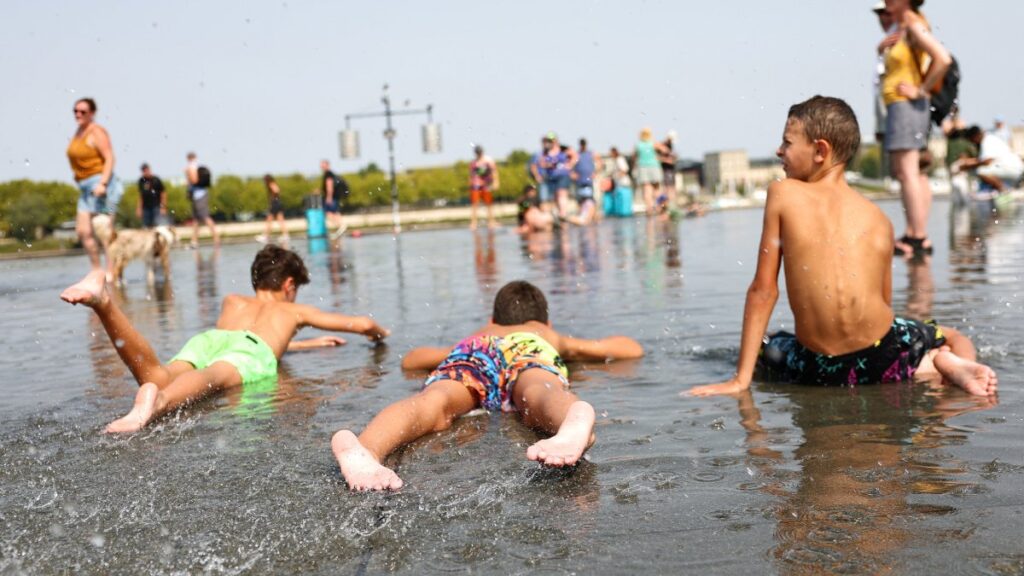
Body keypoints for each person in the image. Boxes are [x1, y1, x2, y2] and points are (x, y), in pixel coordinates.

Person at [687, 96, 996, 398]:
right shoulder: (879, 219)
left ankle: (933, 363)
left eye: (787, 143)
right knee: (952, 335)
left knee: (768, 347)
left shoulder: (783, 193)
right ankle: (945, 362)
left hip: (819, 369)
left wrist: (740, 380)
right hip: (882, 359)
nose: (779, 150)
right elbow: (884, 304)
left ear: (820, 150)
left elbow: (763, 290)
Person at [331, 280, 644, 491]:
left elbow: (411, 360)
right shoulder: (542, 332)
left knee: (433, 402)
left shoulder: (481, 333)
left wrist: (453, 351)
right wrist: (570, 347)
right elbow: (630, 349)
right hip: (529, 350)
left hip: (473, 352)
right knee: (539, 393)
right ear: (545, 321)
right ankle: (572, 418)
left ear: (493, 316)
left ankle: (366, 449)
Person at [60, 245, 390, 433]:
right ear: (289, 285)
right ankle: (158, 404)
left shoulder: (233, 301)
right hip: (249, 352)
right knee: (216, 376)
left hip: (212, 339)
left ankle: (104, 304)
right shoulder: (293, 311)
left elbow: (238, 338)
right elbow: (360, 323)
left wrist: (303, 345)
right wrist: (379, 334)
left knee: (159, 375)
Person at [881, 0, 952, 257]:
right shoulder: (904, 25)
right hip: (902, 107)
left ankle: (918, 237)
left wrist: (920, 90)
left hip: (907, 107)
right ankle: (914, 232)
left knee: (908, 171)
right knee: (907, 171)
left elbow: (942, 58)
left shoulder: (912, 22)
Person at [66, 97, 124, 279]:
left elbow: (110, 158)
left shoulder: (96, 132)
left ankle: (112, 272)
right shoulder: (79, 133)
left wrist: (103, 184)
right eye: (75, 111)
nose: (78, 114)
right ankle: (97, 270)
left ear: (92, 113)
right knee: (83, 231)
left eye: (82, 111)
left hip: (103, 186)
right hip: (85, 190)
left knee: (103, 231)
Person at [959, 125, 1024, 195]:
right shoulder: (989, 138)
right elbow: (983, 160)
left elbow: (987, 161)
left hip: (1013, 169)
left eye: (972, 140)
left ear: (975, 136)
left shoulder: (987, 141)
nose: (973, 143)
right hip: (1012, 168)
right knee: (982, 171)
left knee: (981, 171)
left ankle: (1003, 192)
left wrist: (967, 166)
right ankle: (1000, 191)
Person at [185, 152, 220, 248]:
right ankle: (194, 241)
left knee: (205, 217)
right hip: (200, 194)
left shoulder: (191, 167)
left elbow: (194, 180)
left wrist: (187, 177)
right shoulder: (198, 166)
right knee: (196, 219)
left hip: (199, 195)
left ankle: (216, 239)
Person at [540, 134, 576, 217]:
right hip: (552, 177)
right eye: (549, 140)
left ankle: (563, 213)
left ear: (556, 140)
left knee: (562, 193)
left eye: (552, 140)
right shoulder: (546, 151)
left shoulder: (563, 148)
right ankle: (559, 213)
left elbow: (574, 155)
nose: (551, 142)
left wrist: (570, 165)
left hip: (563, 175)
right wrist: (548, 165)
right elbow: (542, 163)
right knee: (556, 196)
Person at [634, 128, 669, 215]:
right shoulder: (653, 143)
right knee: (657, 189)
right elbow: (665, 150)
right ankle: (660, 208)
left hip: (642, 167)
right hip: (654, 166)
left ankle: (649, 209)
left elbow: (634, 156)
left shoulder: (638, 145)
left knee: (647, 190)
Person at [569, 138, 601, 226]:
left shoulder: (591, 153)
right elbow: (569, 165)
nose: (582, 146)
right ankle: (582, 216)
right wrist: (572, 174)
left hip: (589, 182)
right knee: (580, 200)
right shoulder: (576, 154)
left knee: (591, 200)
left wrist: (595, 172)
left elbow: (599, 162)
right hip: (579, 182)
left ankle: (594, 219)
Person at [468, 145, 500, 229]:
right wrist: (470, 183)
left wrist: (496, 182)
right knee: (474, 204)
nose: (478, 154)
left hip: (486, 185)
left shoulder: (488, 160)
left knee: (489, 204)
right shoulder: (473, 162)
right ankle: (473, 223)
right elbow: (471, 175)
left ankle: (491, 222)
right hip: (476, 185)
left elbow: (494, 171)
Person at [320, 160, 348, 239]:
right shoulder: (330, 174)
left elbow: (329, 186)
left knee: (328, 213)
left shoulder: (328, 174)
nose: (321, 166)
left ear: (327, 165)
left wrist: (329, 197)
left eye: (323, 165)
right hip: (335, 197)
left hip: (331, 197)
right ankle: (340, 228)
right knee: (335, 212)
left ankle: (341, 226)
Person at [258, 174, 289, 243]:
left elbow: (277, 190)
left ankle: (265, 236)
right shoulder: (272, 184)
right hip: (277, 203)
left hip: (275, 204)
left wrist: (273, 198)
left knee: (269, 219)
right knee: (280, 220)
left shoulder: (271, 184)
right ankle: (285, 235)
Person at [136, 163, 166, 229]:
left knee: (157, 226)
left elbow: (163, 193)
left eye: (146, 170)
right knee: (146, 227)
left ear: (150, 170)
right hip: (146, 208)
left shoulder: (156, 180)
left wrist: (163, 207)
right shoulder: (141, 181)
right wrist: (139, 208)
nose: (145, 172)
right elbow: (141, 195)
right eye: (144, 171)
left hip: (156, 206)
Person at [529, 136, 554, 213]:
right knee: (544, 198)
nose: (547, 144)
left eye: (549, 142)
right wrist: (537, 176)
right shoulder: (538, 154)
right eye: (545, 142)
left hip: (552, 179)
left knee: (551, 199)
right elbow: (533, 166)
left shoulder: (551, 154)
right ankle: (545, 215)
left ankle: (550, 215)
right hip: (543, 179)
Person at [658, 132, 679, 213]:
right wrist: (667, 159)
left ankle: (671, 206)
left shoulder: (670, 145)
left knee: (671, 188)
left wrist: (673, 158)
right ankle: (667, 207)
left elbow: (670, 158)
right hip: (666, 170)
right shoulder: (662, 145)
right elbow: (658, 157)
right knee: (667, 189)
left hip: (670, 169)